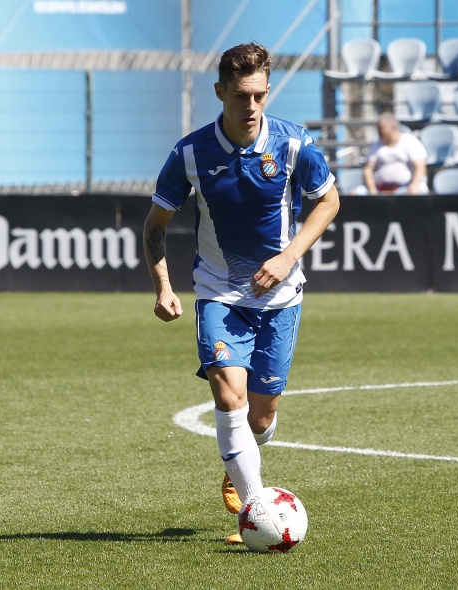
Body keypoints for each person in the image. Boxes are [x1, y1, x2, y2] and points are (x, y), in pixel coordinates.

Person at [142, 42, 339, 544]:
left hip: (281, 297)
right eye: (239, 96)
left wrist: (288, 256)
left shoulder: (293, 144)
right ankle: (255, 511)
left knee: (261, 415)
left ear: (267, 91)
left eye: (259, 95)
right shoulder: (190, 153)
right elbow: (155, 225)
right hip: (219, 293)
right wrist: (163, 285)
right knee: (228, 395)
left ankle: (241, 465)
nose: (250, 106)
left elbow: (328, 202)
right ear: (219, 92)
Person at [360, 113, 428, 195]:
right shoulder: (376, 146)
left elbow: (420, 166)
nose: (379, 131)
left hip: (405, 188)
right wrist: (372, 190)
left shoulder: (410, 141)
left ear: (392, 127)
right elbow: (368, 170)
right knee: (357, 192)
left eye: (381, 127)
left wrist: (414, 184)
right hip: (380, 188)